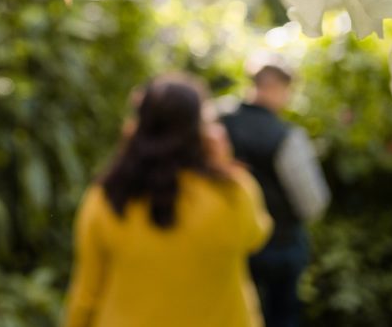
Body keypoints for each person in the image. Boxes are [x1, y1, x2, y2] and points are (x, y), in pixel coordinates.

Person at [64, 74, 272, 327]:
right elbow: (256, 236)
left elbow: (87, 294)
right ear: (201, 130)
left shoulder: (106, 197)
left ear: (138, 126)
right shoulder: (234, 192)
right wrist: (223, 164)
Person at [222, 64, 330, 327]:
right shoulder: (287, 136)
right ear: (277, 87)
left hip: (229, 239)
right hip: (280, 243)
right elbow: (312, 202)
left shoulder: (219, 125)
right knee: (282, 317)